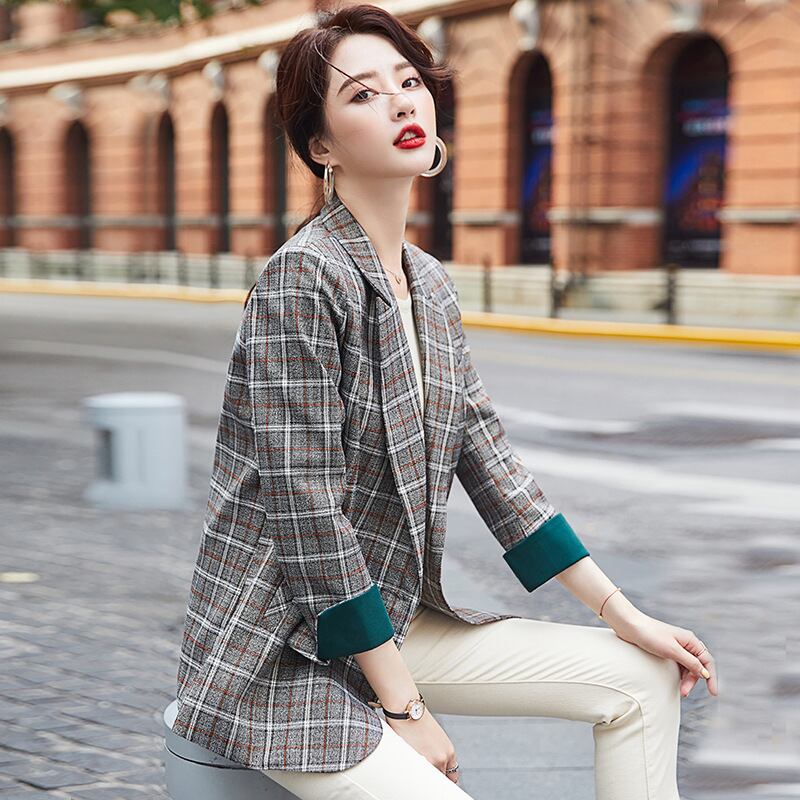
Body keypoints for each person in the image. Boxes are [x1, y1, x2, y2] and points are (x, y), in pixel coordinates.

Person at [173, 4, 718, 799]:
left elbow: (492, 464)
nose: (400, 102)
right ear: (321, 147)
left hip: (394, 619)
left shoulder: (428, 283)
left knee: (642, 677)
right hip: (280, 648)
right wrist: (407, 708)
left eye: (408, 81)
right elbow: (305, 507)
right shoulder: (304, 277)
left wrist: (623, 614)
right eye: (363, 94)